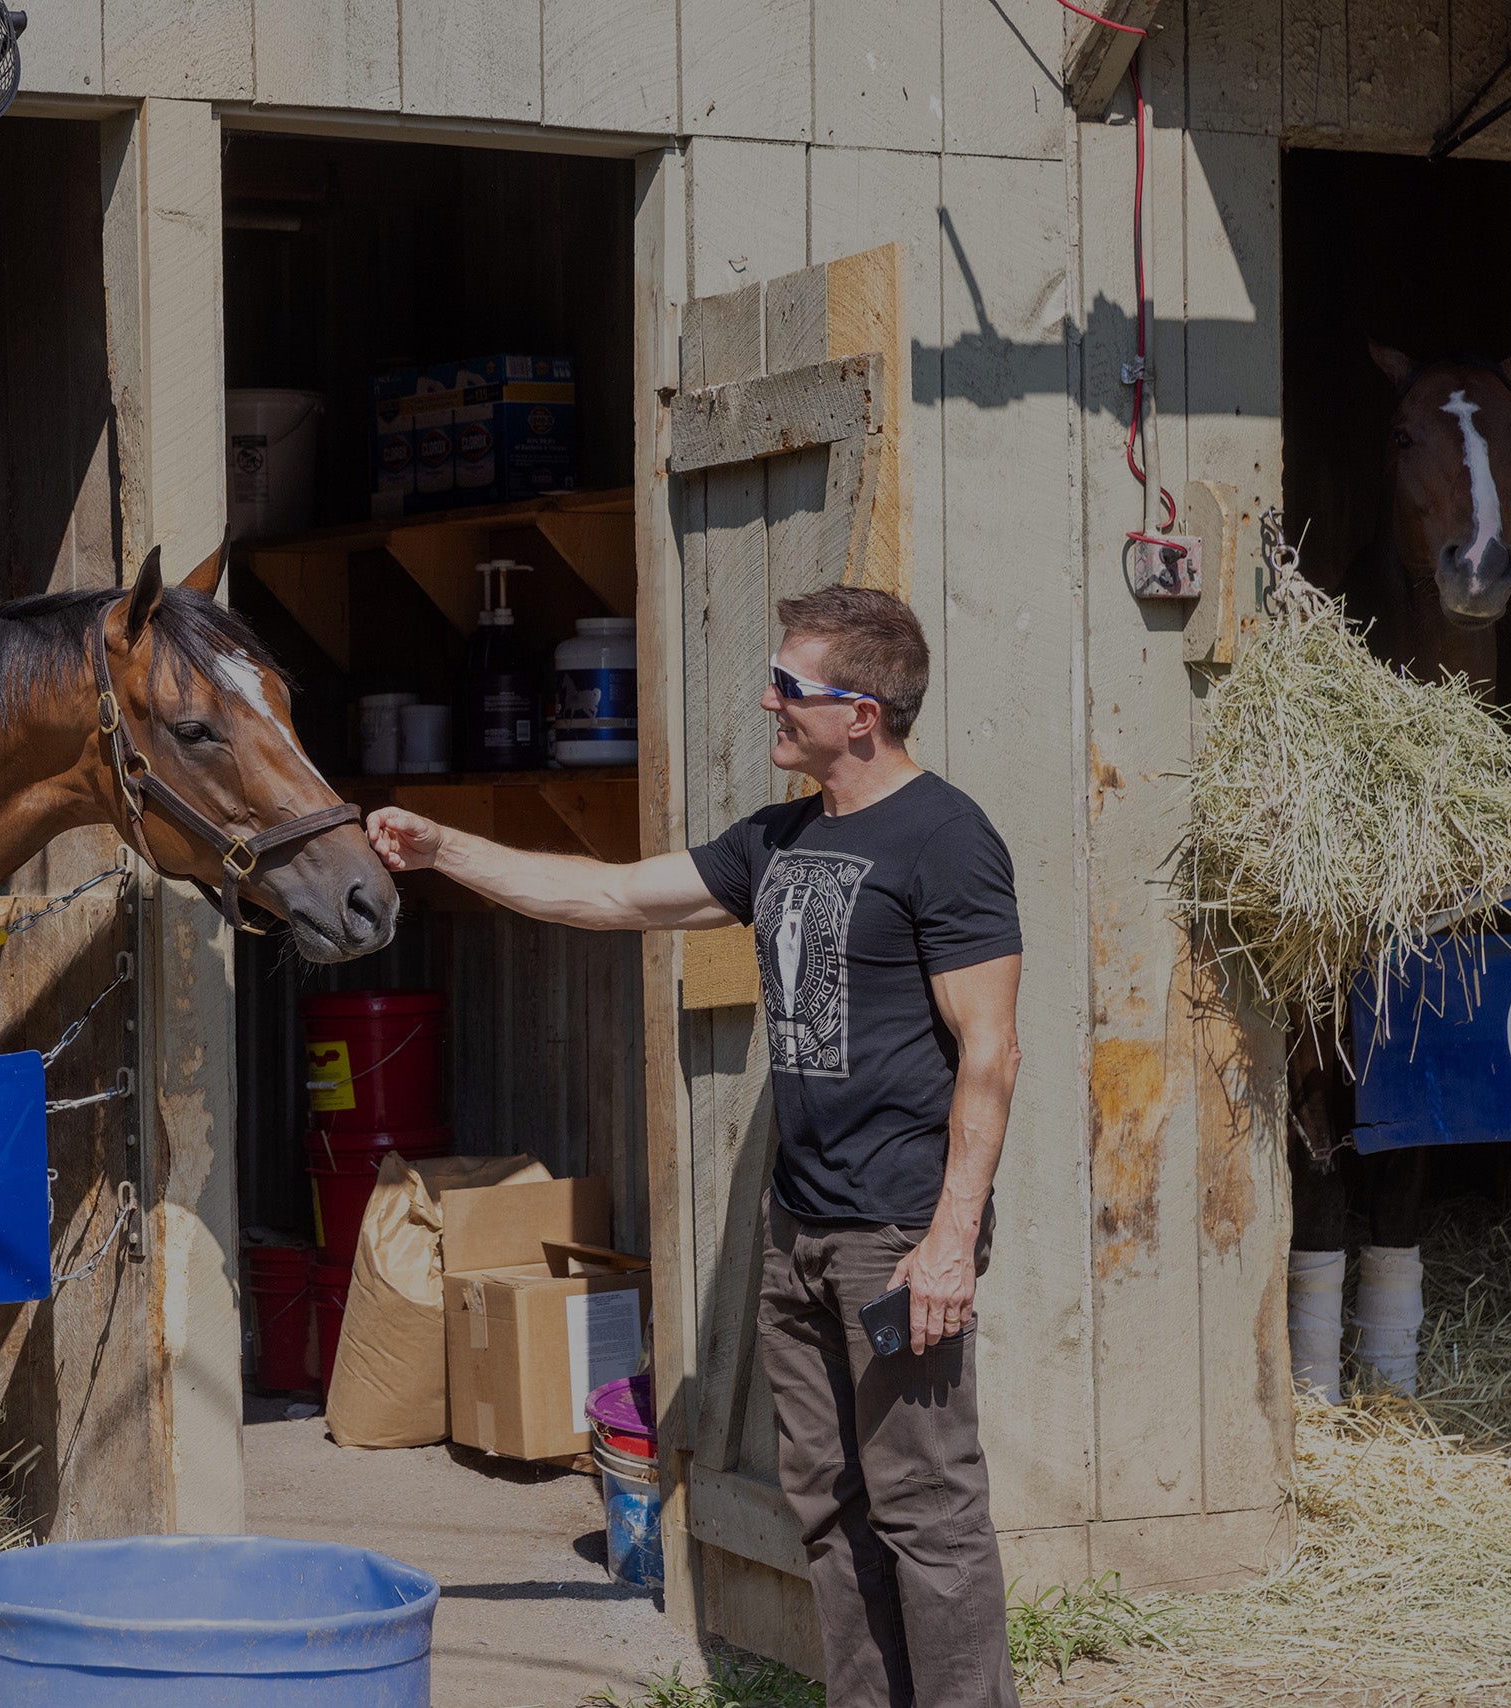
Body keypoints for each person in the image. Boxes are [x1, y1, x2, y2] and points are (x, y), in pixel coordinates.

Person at [366, 585, 1022, 1708]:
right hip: (798, 1227)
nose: (766, 699)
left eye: (789, 686)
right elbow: (611, 894)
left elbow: (990, 1052)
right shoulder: (782, 835)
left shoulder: (947, 839)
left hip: (897, 1233)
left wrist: (949, 1240)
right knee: (826, 1501)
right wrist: (444, 848)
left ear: (860, 713)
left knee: (928, 1509)